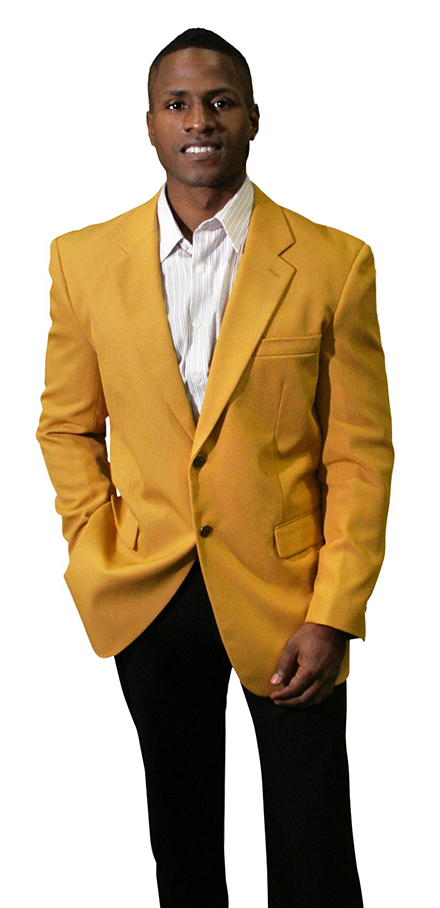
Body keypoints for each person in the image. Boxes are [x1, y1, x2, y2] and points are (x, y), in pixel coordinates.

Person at [37, 27, 393, 908]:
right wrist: (94, 544)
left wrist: (335, 610)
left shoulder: (333, 263)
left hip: (290, 601)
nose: (200, 121)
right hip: (150, 591)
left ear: (254, 119)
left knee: (314, 855)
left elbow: (358, 452)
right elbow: (68, 427)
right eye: (179, 104)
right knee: (184, 847)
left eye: (221, 102)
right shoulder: (82, 260)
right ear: (151, 124)